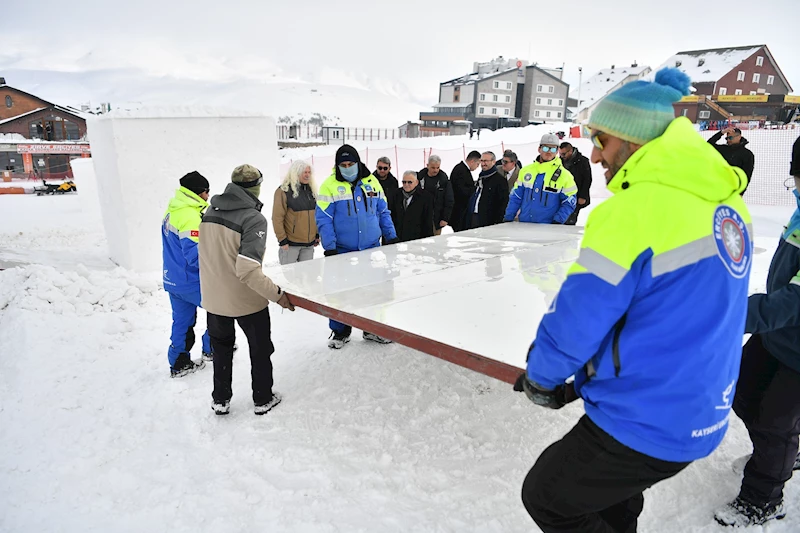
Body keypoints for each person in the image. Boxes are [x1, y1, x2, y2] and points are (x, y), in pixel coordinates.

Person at [514, 68, 752, 533]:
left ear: (633, 139)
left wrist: (542, 378)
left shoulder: (633, 211)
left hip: (649, 416)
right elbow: (668, 313)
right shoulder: (726, 202)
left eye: (601, 138)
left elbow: (579, 317)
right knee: (610, 497)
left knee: (548, 496)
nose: (595, 153)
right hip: (701, 404)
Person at [714, 135, 800, 528]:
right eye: (796, 179)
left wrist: (724, 314)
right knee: (742, 392)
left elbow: (790, 302)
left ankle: (762, 499)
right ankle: (783, 447)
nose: (797, 188)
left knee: (774, 424)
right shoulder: (799, 215)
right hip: (776, 335)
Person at [199, 164, 296, 416]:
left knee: (221, 350)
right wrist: (278, 295)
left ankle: (220, 400)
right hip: (246, 301)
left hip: (215, 299)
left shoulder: (210, 211)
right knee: (260, 349)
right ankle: (263, 398)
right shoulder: (253, 218)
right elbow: (247, 270)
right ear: (256, 187)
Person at [316, 144, 398, 349]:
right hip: (343, 250)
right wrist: (330, 247)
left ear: (358, 162)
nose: (347, 167)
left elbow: (383, 212)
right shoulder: (329, 186)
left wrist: (391, 236)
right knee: (340, 292)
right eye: (343, 164)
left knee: (375, 289)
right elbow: (324, 219)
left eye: (350, 163)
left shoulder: (372, 183)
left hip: (372, 249)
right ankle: (341, 331)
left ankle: (373, 329)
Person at [161, 171, 211, 378]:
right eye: (207, 192)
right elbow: (196, 255)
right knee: (220, 312)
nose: (208, 196)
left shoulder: (173, 210)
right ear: (199, 192)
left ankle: (178, 361)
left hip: (173, 279)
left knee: (182, 321)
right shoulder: (190, 215)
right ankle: (213, 349)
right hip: (192, 281)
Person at [503, 133, 577, 224]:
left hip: (548, 228)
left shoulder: (565, 175)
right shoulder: (525, 171)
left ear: (557, 151)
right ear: (539, 149)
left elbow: (569, 203)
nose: (549, 152)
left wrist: (557, 222)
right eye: (545, 148)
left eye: (553, 149)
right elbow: (516, 197)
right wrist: (508, 217)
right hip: (524, 225)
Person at [271, 160, 319, 265]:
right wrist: (282, 240)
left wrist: (316, 234)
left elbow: (315, 215)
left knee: (307, 277)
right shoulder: (283, 191)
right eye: (304, 172)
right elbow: (277, 218)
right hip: (290, 245)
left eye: (309, 172)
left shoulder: (312, 191)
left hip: (308, 246)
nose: (307, 175)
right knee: (289, 278)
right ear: (295, 173)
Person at [464, 151, 508, 230]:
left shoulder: (500, 180)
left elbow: (502, 203)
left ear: (493, 162)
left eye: (486, 161)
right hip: (474, 217)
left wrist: (497, 222)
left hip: (489, 221)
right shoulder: (481, 177)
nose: (483, 163)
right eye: (481, 161)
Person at [708, 126, 755, 195]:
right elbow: (708, 145)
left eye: (730, 138)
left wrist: (741, 193)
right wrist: (722, 132)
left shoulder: (747, 154)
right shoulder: (724, 149)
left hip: (733, 190)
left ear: (739, 137)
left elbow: (747, 175)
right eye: (727, 138)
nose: (728, 140)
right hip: (717, 187)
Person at [391, 171, 434, 242]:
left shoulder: (426, 197)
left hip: (416, 238)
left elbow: (427, 220)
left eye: (409, 182)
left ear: (416, 182)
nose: (406, 184)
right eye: (404, 182)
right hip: (398, 237)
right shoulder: (395, 195)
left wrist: (428, 240)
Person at [417, 155, 454, 235]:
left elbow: (449, 200)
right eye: (433, 168)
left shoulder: (444, 181)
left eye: (437, 167)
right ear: (427, 166)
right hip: (420, 217)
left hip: (435, 219)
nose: (435, 170)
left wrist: (445, 218)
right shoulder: (419, 178)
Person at [559, 142, 592, 225]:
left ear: (570, 151)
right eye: (560, 154)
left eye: (563, 154)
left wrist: (583, 196)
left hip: (576, 197)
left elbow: (587, 179)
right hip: (562, 196)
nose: (562, 156)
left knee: (569, 221)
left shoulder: (583, 161)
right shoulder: (559, 161)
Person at [449, 150, 480, 232]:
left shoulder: (462, 169)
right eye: (477, 164)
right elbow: (461, 191)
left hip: (460, 211)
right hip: (459, 211)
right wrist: (475, 189)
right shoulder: (461, 170)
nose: (477, 167)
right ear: (472, 161)